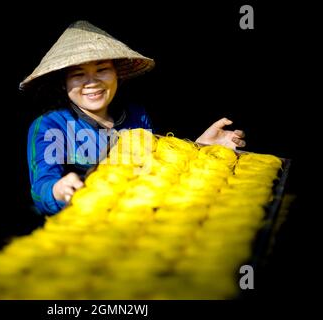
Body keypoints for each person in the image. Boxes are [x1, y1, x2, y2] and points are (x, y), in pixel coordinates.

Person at [20, 21, 246, 215]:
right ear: (64, 83)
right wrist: (57, 191)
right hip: (83, 231)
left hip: (138, 219)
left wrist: (202, 148)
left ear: (117, 73)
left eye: (102, 69)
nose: (92, 82)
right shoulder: (51, 126)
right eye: (78, 74)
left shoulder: (136, 115)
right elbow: (40, 188)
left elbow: (157, 167)